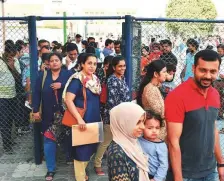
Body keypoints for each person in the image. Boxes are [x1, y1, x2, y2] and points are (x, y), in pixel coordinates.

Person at [165, 49, 224, 181]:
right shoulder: (177, 96)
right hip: (185, 174)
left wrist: (221, 163)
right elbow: (173, 141)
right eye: (203, 70)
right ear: (193, 68)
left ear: (218, 71)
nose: (208, 76)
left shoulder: (214, 94)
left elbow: (213, 129)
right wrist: (178, 177)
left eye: (213, 71)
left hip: (210, 171)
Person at [32, 53, 71, 181]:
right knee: (49, 140)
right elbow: (37, 93)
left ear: (61, 62)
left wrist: (62, 85)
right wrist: (35, 110)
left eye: (57, 60)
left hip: (66, 114)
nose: (54, 62)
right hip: (49, 115)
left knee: (69, 137)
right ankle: (50, 169)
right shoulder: (42, 76)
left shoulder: (68, 75)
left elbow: (75, 89)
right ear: (48, 63)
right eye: (52, 61)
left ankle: (71, 159)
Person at [64, 53, 101, 181]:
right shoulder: (77, 80)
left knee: (91, 148)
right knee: (81, 151)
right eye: (89, 63)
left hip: (94, 119)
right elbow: (68, 100)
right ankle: (80, 178)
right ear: (82, 64)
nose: (92, 66)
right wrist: (79, 119)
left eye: (95, 64)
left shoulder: (95, 80)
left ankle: (83, 174)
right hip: (83, 120)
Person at [94, 56, 131, 176]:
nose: (123, 68)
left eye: (124, 66)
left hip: (122, 115)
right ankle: (97, 164)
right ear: (114, 67)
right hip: (113, 116)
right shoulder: (112, 80)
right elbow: (113, 102)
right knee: (106, 141)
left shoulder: (122, 78)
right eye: (120, 66)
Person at [107, 102, 150, 181]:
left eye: (143, 122)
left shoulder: (132, 142)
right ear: (123, 123)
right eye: (137, 122)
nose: (143, 127)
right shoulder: (116, 153)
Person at [137, 60, 167, 140]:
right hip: (154, 132)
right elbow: (159, 113)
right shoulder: (150, 89)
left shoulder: (154, 87)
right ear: (156, 74)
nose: (166, 74)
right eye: (164, 72)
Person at [138, 110, 168, 181]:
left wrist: (156, 179)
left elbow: (163, 165)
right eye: (150, 128)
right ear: (142, 127)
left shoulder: (161, 146)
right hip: (142, 175)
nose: (154, 131)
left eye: (157, 128)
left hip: (154, 176)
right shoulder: (138, 140)